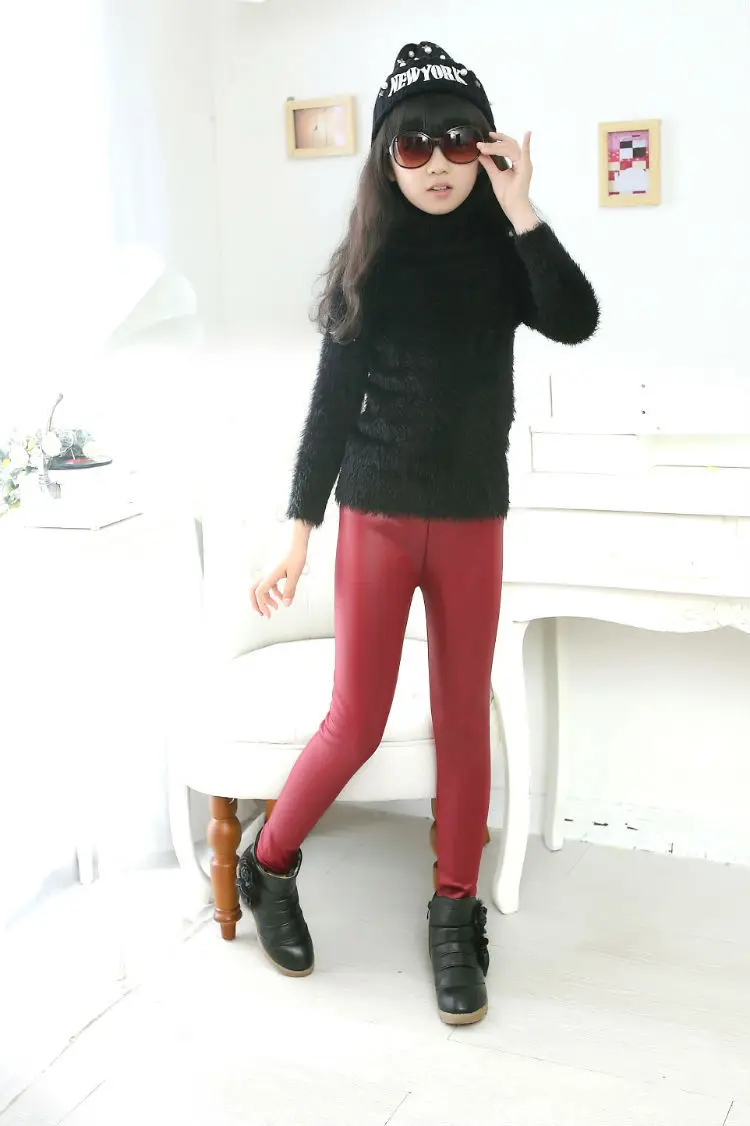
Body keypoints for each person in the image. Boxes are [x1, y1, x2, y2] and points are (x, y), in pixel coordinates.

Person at [236, 40, 599, 1025]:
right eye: (414, 145)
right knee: (355, 720)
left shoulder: (504, 254)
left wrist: (523, 208)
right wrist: (298, 530)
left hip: (473, 516)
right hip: (379, 519)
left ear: (485, 148)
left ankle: (454, 912)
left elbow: (576, 318)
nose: (437, 162)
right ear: (387, 158)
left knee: (462, 718)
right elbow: (330, 408)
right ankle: (268, 861)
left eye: (457, 140)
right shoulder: (373, 264)